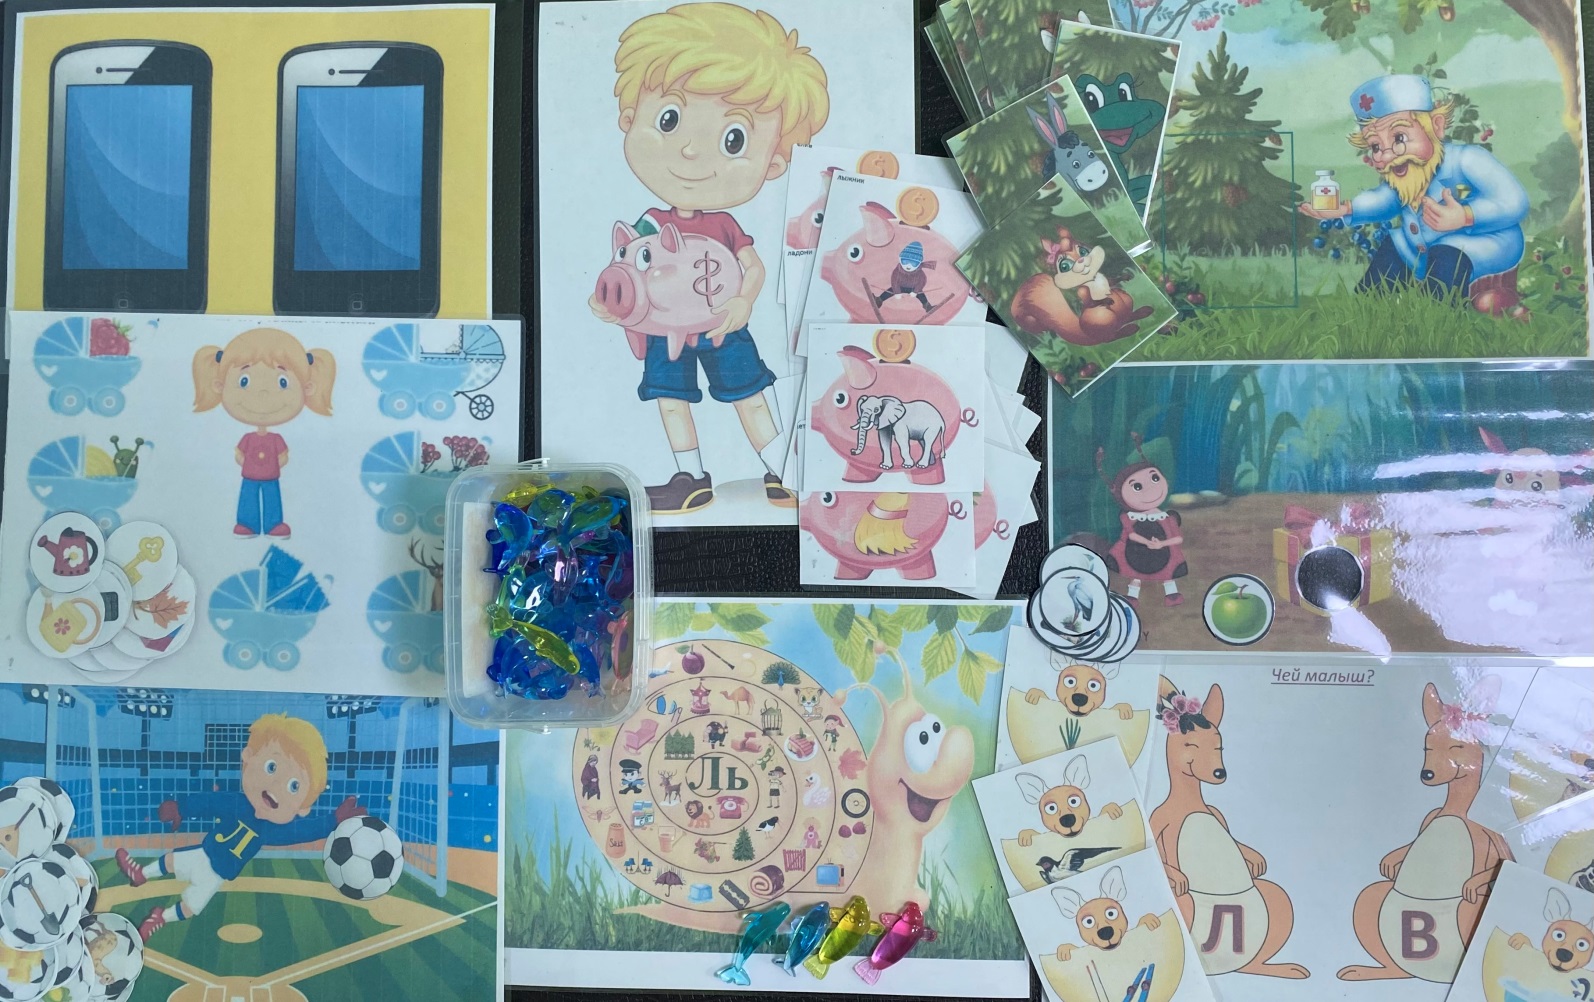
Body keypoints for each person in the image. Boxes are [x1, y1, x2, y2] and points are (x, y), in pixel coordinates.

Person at [590, 3, 830, 514]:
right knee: (670, 400)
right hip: (662, 328)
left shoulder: (724, 226)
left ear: (775, 162)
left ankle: (783, 470)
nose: (692, 152)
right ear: (629, 119)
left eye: (733, 138)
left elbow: (753, 267)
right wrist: (609, 305)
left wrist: (743, 302)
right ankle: (690, 476)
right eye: (669, 119)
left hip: (723, 324)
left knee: (748, 394)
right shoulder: (648, 223)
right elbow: (626, 277)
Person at [111, 714, 363, 941]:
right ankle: (141, 874)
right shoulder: (237, 803)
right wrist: (182, 808)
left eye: (294, 786)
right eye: (271, 767)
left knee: (190, 908)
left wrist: (332, 821)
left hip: (218, 874)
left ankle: (159, 918)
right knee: (171, 861)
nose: (275, 786)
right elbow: (210, 802)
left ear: (302, 807)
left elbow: (300, 831)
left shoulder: (271, 829)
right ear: (248, 758)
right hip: (204, 853)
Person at [1298, 74, 1529, 315]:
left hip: (1482, 245)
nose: (1386, 155)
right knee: (1393, 247)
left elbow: (1514, 200)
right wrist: (1347, 209)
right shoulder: (1403, 177)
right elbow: (1385, 199)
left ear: (1436, 126)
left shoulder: (1467, 159)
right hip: (1420, 248)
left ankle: (1439, 316)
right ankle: (1364, 311)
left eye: (1399, 138)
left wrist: (1466, 216)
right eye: (1376, 146)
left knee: (1447, 257)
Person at [192, 328, 336, 538]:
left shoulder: (276, 438)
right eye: (244, 381)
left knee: (272, 498)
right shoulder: (248, 438)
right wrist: (249, 463)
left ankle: (273, 525)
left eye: (282, 382)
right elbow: (239, 454)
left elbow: (283, 456)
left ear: (307, 388)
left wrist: (273, 464)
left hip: (271, 475)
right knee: (248, 497)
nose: (262, 394)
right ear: (219, 386)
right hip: (250, 475)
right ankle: (247, 524)